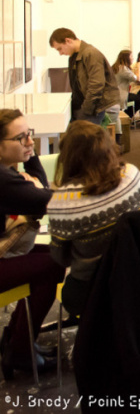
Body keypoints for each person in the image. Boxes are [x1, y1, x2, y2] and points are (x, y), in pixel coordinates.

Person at [48, 121, 140, 316]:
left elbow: (61, 258)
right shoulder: (132, 177)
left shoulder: (61, 203)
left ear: (67, 157)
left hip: (92, 291)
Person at [0, 109, 64, 380]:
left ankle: (17, 343)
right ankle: (20, 350)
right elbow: (50, 201)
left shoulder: (6, 172)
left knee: (52, 258)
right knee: (55, 260)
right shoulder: (4, 180)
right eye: (21, 138)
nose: (30, 142)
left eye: (30, 134)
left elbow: (41, 192)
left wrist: (29, 153)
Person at [49, 28, 121, 126]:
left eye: (60, 48)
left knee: (87, 140)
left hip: (90, 109)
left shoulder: (91, 53)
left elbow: (96, 84)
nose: (60, 53)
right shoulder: (74, 56)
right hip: (81, 107)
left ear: (68, 41)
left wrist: (86, 109)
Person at [112, 50, 140, 123]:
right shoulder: (123, 69)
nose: (133, 58)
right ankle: (127, 117)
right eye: (131, 56)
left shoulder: (118, 67)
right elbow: (137, 79)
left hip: (116, 93)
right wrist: (139, 67)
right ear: (126, 58)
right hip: (120, 94)